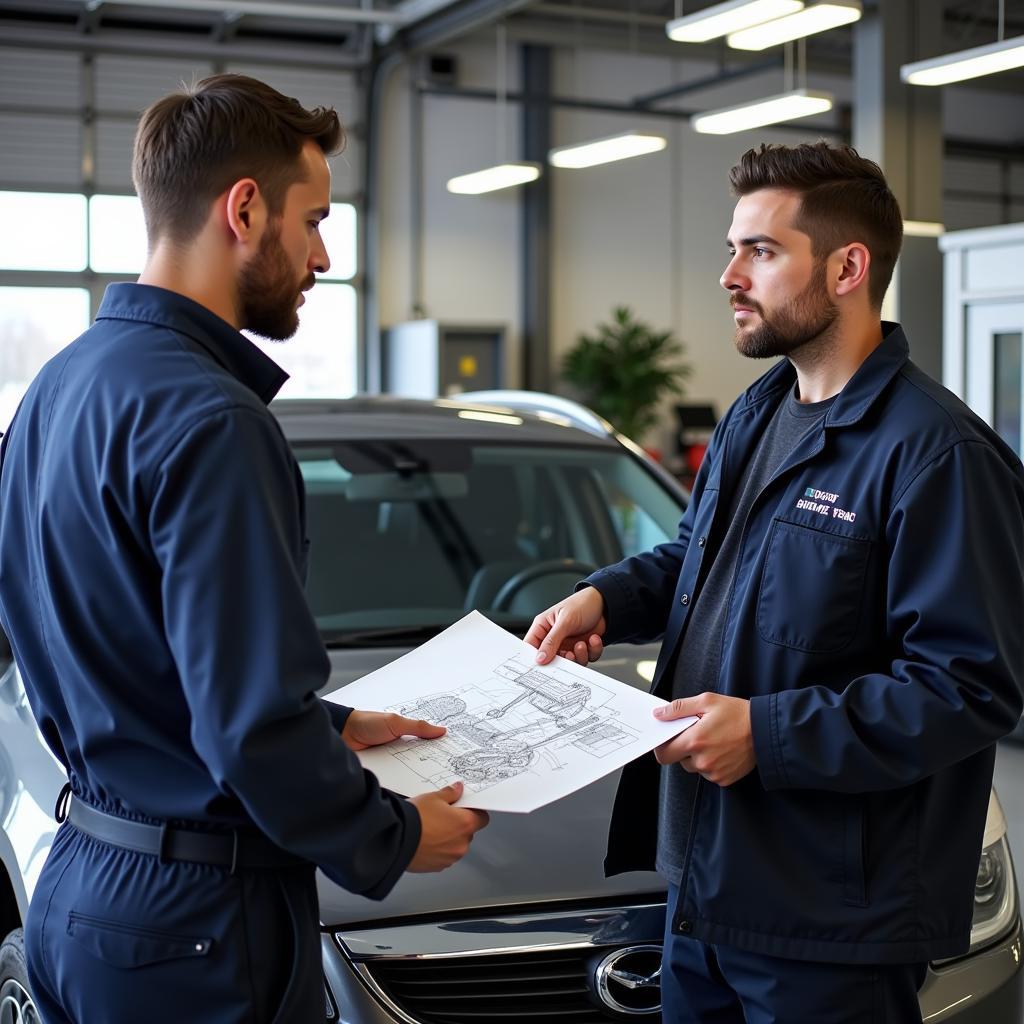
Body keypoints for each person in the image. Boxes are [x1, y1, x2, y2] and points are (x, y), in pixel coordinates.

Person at [0, 74, 488, 1023]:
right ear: (245, 208)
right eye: (314, 221)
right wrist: (388, 835)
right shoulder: (212, 418)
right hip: (197, 925)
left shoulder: (55, 390)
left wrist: (336, 729)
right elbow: (247, 726)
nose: (323, 255)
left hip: (82, 886)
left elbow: (116, 644)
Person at [527, 141, 1024, 1023]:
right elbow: (697, 558)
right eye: (731, 248)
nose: (729, 275)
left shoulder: (935, 456)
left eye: (759, 251)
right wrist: (607, 595)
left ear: (847, 268)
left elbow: (968, 686)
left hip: (829, 926)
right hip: (701, 891)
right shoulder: (758, 413)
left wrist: (768, 734)